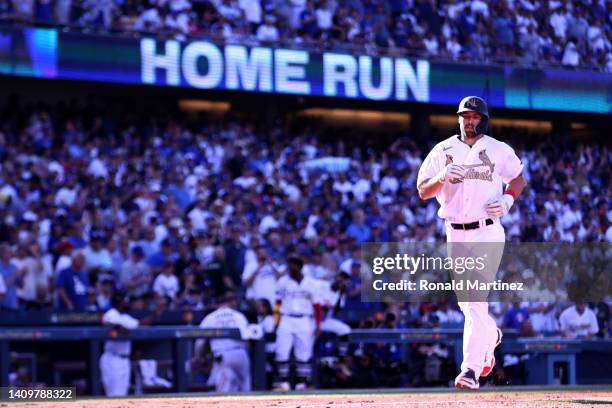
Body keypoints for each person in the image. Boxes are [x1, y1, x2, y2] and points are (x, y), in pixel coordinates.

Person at [417, 96, 527, 390]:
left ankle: (470, 370)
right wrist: (440, 177)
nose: (469, 120)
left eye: (475, 116)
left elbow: (518, 178)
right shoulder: (443, 150)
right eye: (465, 116)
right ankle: (490, 337)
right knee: (469, 306)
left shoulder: (497, 149)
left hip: (487, 231)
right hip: (455, 232)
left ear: (484, 119)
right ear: (459, 119)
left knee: (475, 300)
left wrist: (508, 199)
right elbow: (423, 191)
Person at [99, 292, 163, 396]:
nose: (127, 304)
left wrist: (155, 313)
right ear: (119, 302)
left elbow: (141, 324)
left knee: (122, 395)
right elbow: (106, 322)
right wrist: (119, 327)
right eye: (125, 301)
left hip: (125, 360)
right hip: (112, 359)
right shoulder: (111, 313)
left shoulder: (125, 317)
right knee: (113, 395)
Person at [274, 256, 322, 391]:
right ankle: (284, 383)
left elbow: (317, 306)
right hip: (286, 318)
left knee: (304, 352)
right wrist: (276, 321)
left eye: (292, 266)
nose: (289, 269)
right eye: (289, 266)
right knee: (282, 351)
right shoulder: (282, 282)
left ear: (299, 267)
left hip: (305, 319)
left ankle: (303, 383)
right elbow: (277, 304)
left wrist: (318, 325)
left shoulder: (311, 283)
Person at [197, 293, 253, 392]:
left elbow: (199, 341)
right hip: (241, 353)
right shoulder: (239, 315)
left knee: (221, 389)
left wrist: (197, 357)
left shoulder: (211, 317)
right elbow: (248, 338)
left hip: (222, 355)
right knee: (245, 385)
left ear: (217, 304)